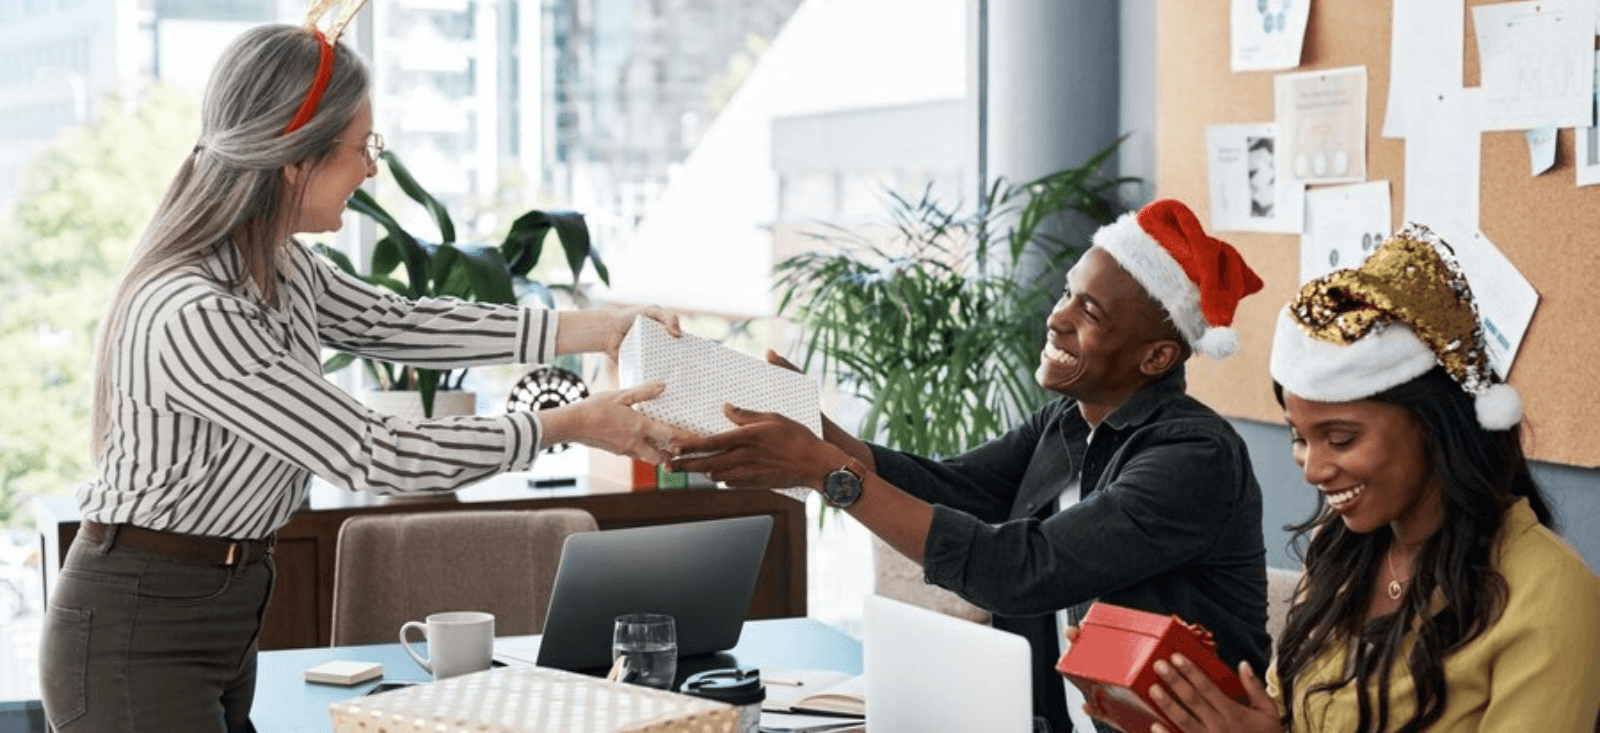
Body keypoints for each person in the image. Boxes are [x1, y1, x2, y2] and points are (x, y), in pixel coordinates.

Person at [39, 16, 693, 733]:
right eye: (364, 147)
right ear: (297, 158)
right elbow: (375, 451)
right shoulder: (194, 311)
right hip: (140, 627)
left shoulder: (280, 265)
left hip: (222, 606)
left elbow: (402, 323)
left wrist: (598, 327)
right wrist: (569, 424)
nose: (372, 170)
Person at [671, 198, 1273, 733]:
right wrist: (822, 435)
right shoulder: (1068, 420)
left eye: (1089, 313)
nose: (1057, 318)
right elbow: (955, 487)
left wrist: (831, 475)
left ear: (1156, 357)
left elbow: (1023, 570)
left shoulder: (1195, 456)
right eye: (1067, 294)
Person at [1132, 225, 1600, 732]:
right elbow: (1288, 712)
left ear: (1435, 425)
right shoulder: (1339, 551)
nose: (1313, 469)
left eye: (1340, 439)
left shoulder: (1549, 592)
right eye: (1299, 437)